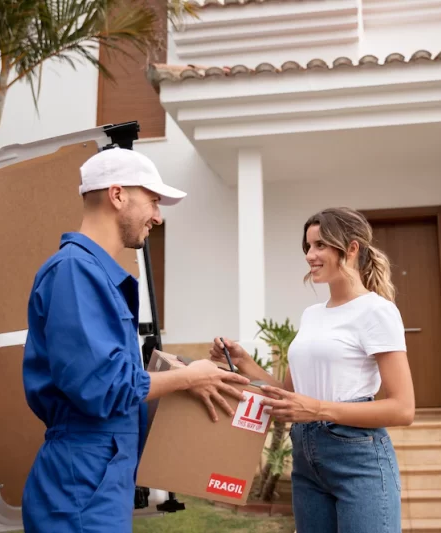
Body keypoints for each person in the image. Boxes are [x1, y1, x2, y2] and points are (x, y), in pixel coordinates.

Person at [21, 147, 250, 533]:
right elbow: (101, 387)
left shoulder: (93, 274)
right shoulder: (75, 272)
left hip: (100, 476)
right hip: (82, 482)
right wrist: (190, 377)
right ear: (117, 195)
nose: (158, 217)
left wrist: (163, 374)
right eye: (154, 201)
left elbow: (106, 375)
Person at [210, 207, 415, 533]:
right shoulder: (312, 315)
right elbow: (291, 397)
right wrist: (245, 361)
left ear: (351, 248)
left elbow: (403, 408)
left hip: (358, 460)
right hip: (306, 460)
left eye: (320, 245)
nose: (310, 255)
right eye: (307, 246)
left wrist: (317, 409)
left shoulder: (377, 311)